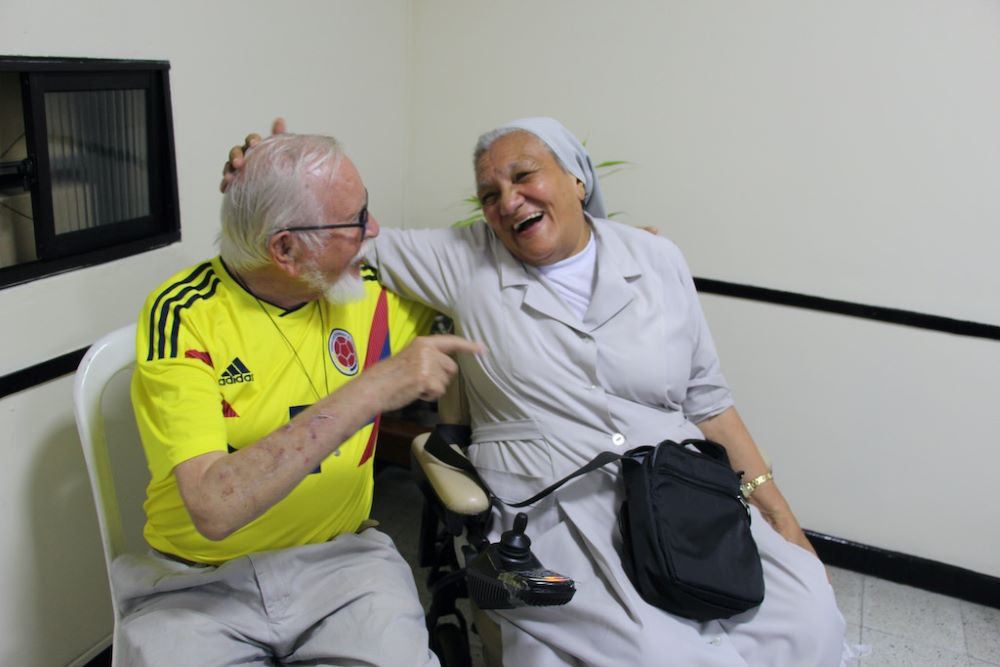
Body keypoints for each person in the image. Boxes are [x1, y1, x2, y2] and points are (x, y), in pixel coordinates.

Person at [226, 119, 847, 666]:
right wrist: (267, 190)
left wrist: (785, 526)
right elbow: (330, 234)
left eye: (525, 175)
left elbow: (710, 403)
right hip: (549, 503)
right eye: (489, 194)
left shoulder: (655, 258)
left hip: (676, 489)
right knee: (656, 651)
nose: (507, 201)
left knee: (807, 619)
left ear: (577, 180)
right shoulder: (463, 260)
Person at [121, 132, 480, 666]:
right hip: (197, 585)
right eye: (356, 220)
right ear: (285, 249)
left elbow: (506, 262)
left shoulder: (369, 290)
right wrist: (376, 386)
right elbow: (213, 509)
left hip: (343, 564)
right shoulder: (185, 313)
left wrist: (615, 244)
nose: (375, 231)